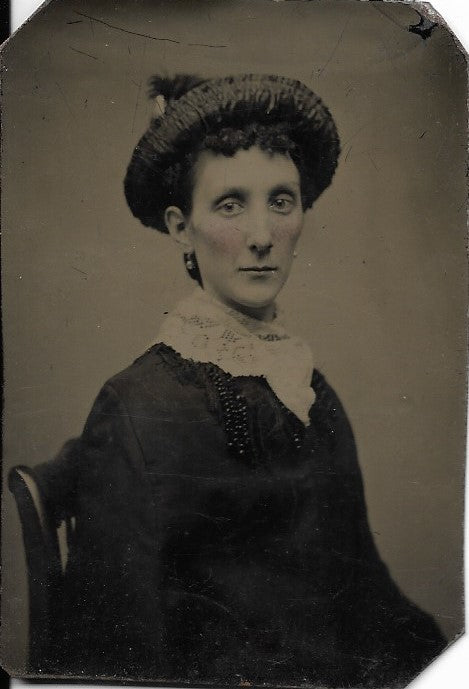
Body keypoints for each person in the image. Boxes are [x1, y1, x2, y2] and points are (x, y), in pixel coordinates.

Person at [33, 73, 445, 687]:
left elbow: (369, 603)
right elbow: (116, 655)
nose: (261, 236)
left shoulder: (310, 393)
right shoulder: (137, 407)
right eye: (230, 204)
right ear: (181, 227)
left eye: (281, 201)